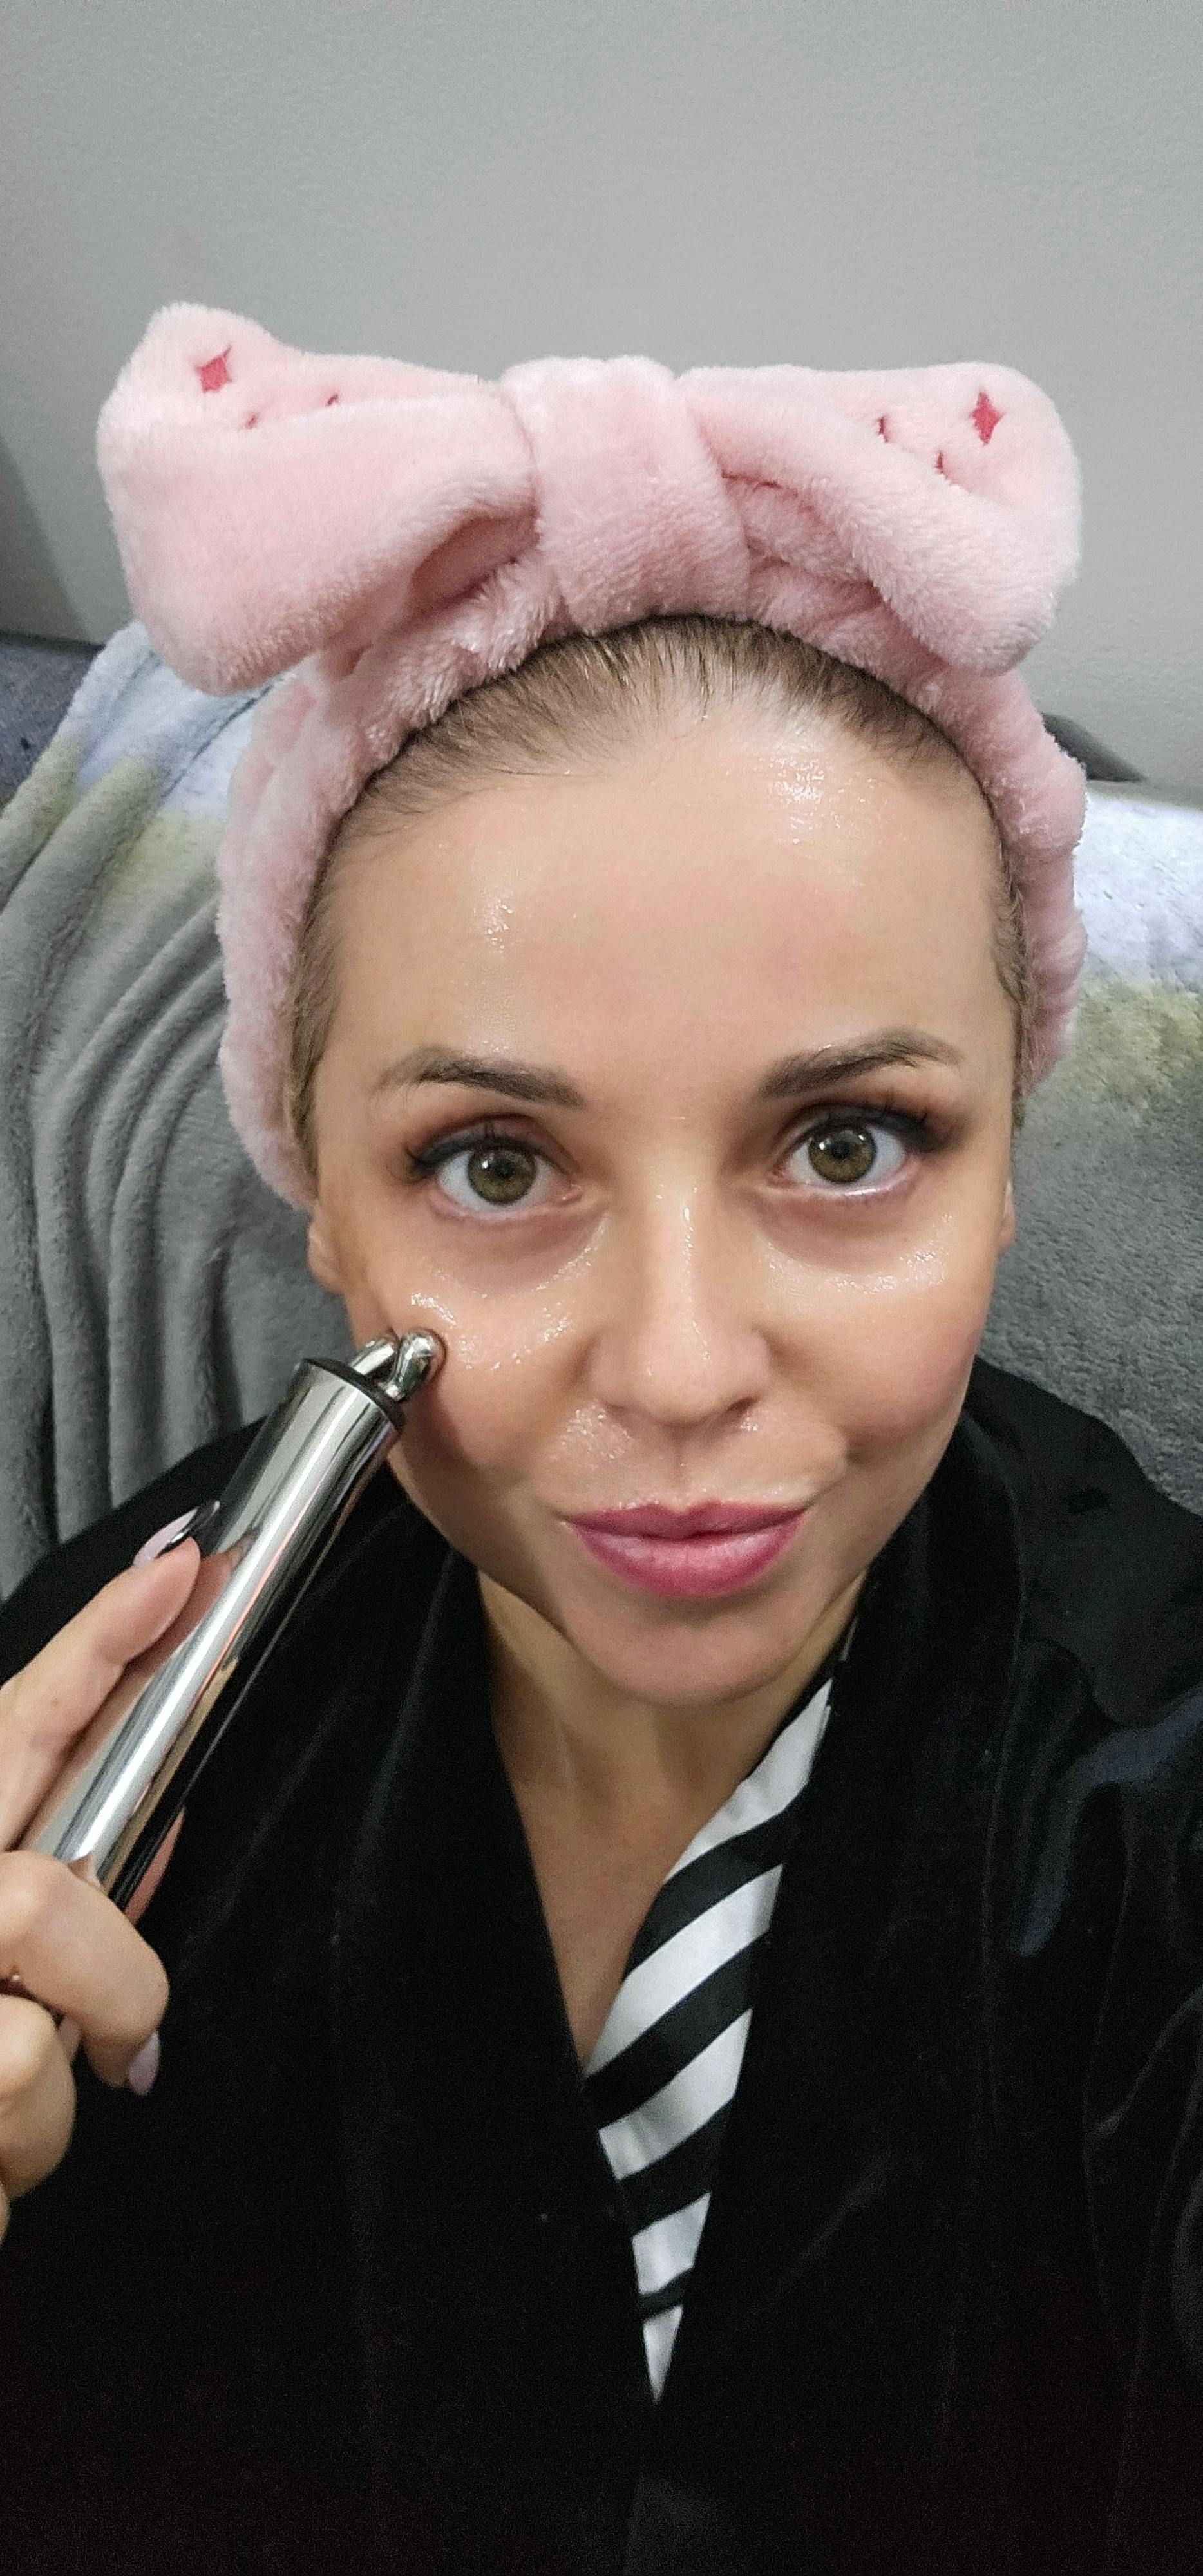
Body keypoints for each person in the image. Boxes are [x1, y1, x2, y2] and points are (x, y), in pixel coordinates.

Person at [1, 310, 1201, 2576]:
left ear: (1005, 1173)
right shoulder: (99, 1709)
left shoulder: (1158, 1783)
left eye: (846, 1143)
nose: (672, 1365)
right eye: (492, 1165)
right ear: (320, 1201)